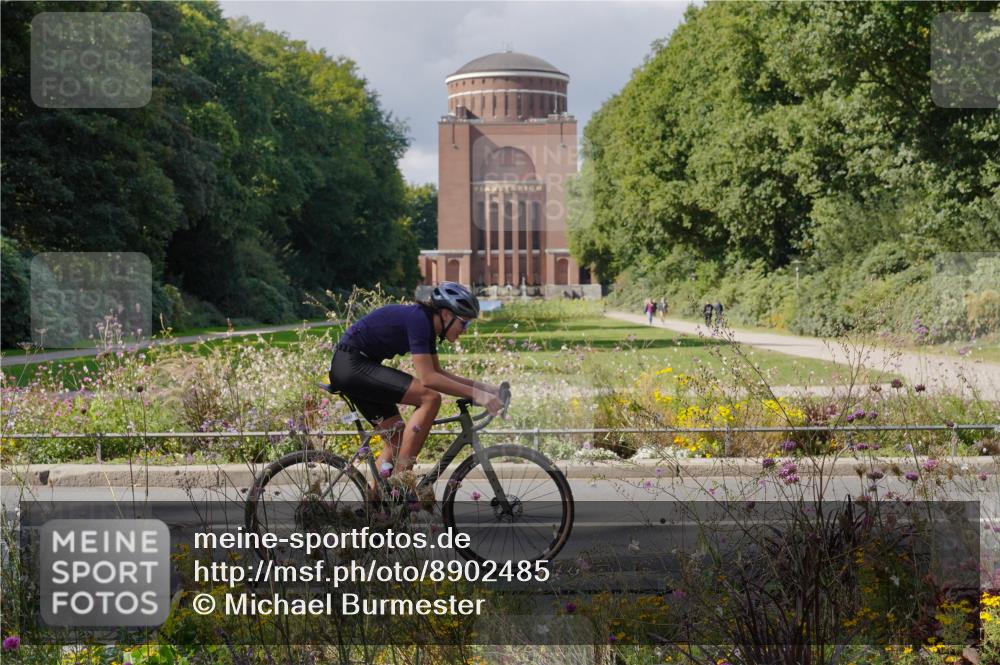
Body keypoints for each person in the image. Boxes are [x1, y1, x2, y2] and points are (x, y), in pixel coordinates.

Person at [328, 282, 504, 497]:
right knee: (430, 398)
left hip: (355, 366)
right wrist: (478, 395)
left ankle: (375, 506)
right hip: (351, 365)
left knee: (396, 439)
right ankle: (402, 481)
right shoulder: (419, 320)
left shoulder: (427, 324)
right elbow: (429, 379)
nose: (465, 330)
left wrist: (485, 389)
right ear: (446, 314)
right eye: (464, 322)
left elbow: (438, 372)